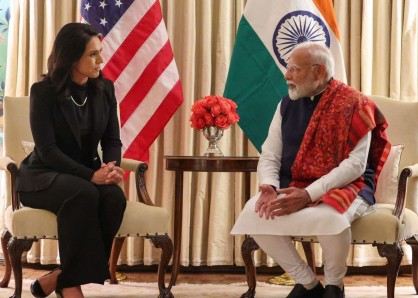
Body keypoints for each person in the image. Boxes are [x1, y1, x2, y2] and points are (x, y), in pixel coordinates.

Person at [231, 42, 390, 298]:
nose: (287, 76)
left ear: (318, 72)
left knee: (331, 218)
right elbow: (270, 153)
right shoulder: (285, 104)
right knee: (255, 214)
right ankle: (307, 284)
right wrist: (269, 185)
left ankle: (334, 286)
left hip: (349, 185)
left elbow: (356, 165)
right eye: (288, 68)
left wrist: (309, 194)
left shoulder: (355, 105)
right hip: (295, 184)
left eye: (294, 69)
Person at [16, 23, 126, 298]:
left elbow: (112, 140)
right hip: (43, 175)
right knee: (85, 192)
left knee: (113, 197)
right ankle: (69, 286)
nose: (101, 60)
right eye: (92, 54)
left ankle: (61, 277)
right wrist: (91, 176)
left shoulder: (105, 89)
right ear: (70, 57)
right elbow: (48, 150)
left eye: (100, 52)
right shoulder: (43, 92)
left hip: (83, 175)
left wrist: (110, 167)